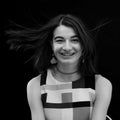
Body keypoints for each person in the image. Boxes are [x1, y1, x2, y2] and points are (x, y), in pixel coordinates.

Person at [6, 14, 112, 120]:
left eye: (75, 40)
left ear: (83, 45)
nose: (67, 47)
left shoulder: (101, 85)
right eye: (59, 40)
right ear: (51, 45)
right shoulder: (35, 86)